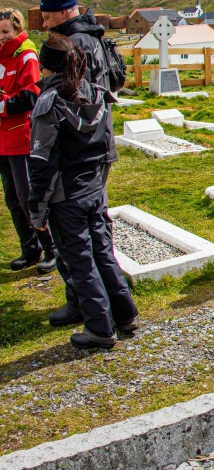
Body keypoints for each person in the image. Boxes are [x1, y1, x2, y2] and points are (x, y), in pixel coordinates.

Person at [26, 34, 138, 350]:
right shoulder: (96, 94)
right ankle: (126, 314)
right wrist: (99, 185)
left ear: (45, 67)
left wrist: (37, 210)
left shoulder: (49, 103)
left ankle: (100, 329)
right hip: (94, 189)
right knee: (102, 252)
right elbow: (107, 148)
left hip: (66, 197)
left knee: (81, 262)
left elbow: (42, 162)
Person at [0, 8, 57, 275]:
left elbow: (33, 94)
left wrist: (3, 105)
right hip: (3, 139)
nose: (1, 37)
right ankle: (30, 249)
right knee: (12, 198)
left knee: (28, 196)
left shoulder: (26, 55)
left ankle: (52, 248)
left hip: (21, 136)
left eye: (5, 31)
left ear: (17, 29)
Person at [38, 0, 110, 89]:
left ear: (63, 12)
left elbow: (73, 92)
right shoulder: (92, 34)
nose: (44, 24)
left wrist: (49, 77)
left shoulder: (74, 45)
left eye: (47, 18)